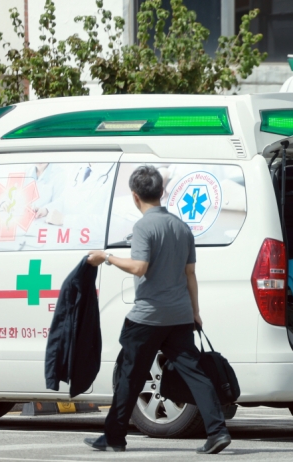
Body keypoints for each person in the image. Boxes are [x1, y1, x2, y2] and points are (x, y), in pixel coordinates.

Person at [83, 165, 231, 454]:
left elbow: (139, 268)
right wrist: (195, 311)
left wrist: (107, 257)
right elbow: (190, 274)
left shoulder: (143, 227)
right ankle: (217, 431)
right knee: (195, 373)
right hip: (179, 315)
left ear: (135, 196)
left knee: (130, 376)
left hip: (147, 318)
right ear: (162, 192)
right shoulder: (181, 227)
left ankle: (114, 437)